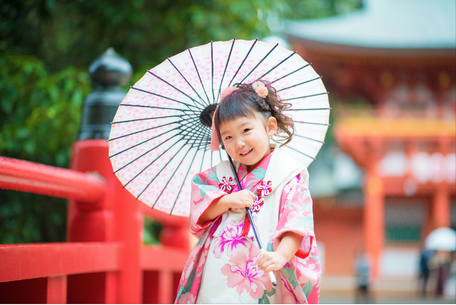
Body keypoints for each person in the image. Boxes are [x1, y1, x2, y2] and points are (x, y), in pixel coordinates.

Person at [175, 80, 321, 303]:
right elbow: (200, 212)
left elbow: (297, 223)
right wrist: (226, 201)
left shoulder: (288, 173)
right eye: (228, 137)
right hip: (220, 267)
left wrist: (281, 255)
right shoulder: (221, 174)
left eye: (246, 130)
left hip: (265, 264)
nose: (239, 143)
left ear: (270, 126)